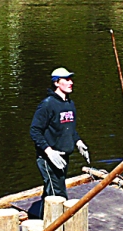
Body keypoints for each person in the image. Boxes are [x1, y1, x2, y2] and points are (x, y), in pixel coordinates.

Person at [29, 67, 90, 201]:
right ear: (56, 82)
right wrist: (49, 151)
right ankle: (58, 221)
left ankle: (43, 219)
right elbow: (34, 131)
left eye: (71, 79)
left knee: (52, 191)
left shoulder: (69, 104)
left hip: (63, 157)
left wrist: (78, 142)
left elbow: (68, 128)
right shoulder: (47, 105)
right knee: (58, 196)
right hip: (48, 158)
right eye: (66, 80)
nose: (71, 83)